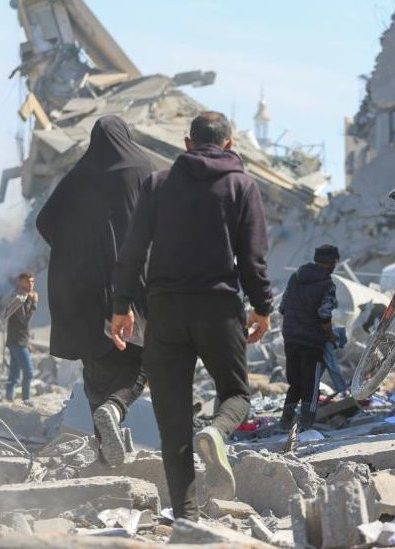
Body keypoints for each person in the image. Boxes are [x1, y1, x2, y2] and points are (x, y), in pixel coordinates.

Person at [108, 111, 273, 521]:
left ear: (187, 143)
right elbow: (253, 259)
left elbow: (132, 251)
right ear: (230, 145)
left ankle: (185, 517)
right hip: (219, 309)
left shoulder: (158, 184)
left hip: (165, 311)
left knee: (172, 416)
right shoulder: (242, 185)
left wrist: (121, 306)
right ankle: (216, 432)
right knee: (235, 395)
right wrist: (263, 307)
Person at [36, 115, 155, 466]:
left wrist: (77, 247)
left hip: (83, 287)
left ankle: (105, 449)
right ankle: (115, 410)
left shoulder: (81, 173)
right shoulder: (141, 166)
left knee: (96, 363)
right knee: (145, 356)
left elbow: (45, 221)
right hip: (130, 281)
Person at [278, 244, 340, 431]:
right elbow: (324, 313)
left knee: (295, 382)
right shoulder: (327, 284)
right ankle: (306, 424)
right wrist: (330, 335)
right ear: (331, 262)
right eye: (335, 262)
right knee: (311, 385)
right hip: (312, 341)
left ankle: (285, 422)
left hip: (290, 337)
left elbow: (282, 307)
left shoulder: (295, 278)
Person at [3, 272, 38, 402]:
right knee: (28, 373)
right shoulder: (19, 298)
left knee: (14, 375)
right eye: (28, 282)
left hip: (19, 340)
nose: (31, 284)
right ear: (21, 283)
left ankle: (8, 399)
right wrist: (34, 303)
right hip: (17, 341)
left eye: (32, 282)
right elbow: (24, 320)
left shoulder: (24, 297)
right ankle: (26, 400)